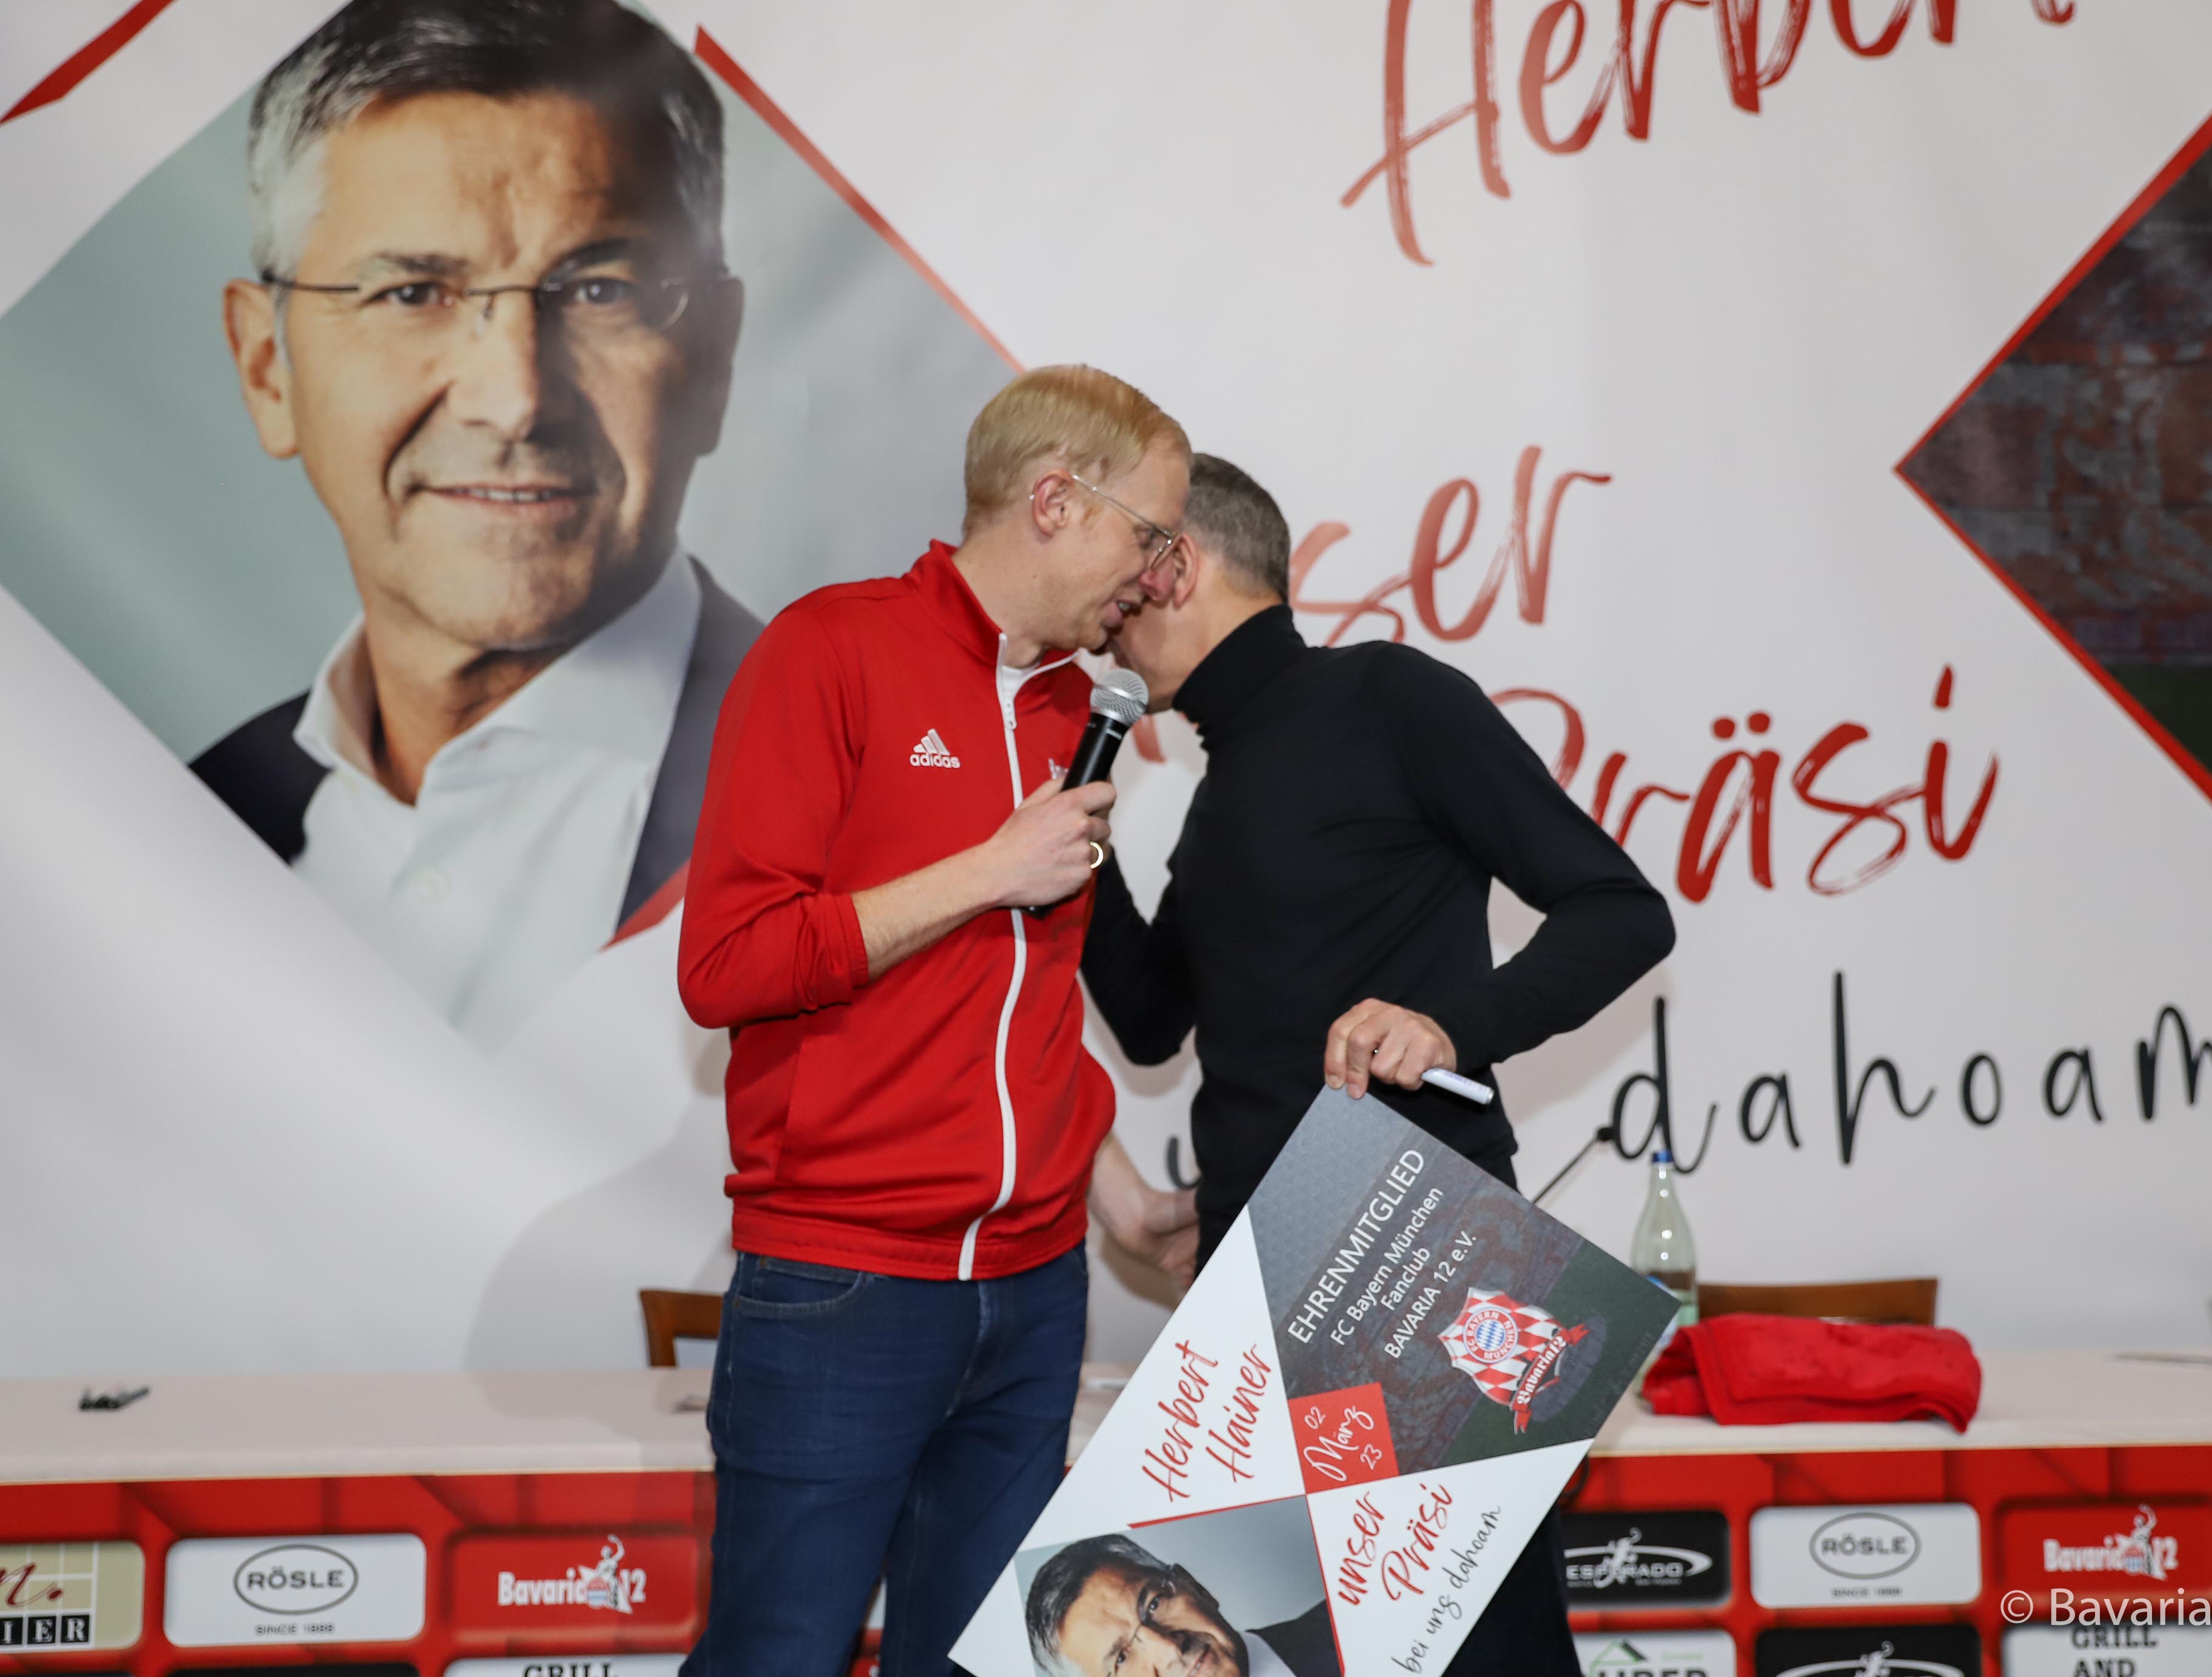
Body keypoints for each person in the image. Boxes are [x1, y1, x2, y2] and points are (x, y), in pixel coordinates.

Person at [1082, 454, 1678, 1674]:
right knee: (1297, 1653)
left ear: (1177, 565)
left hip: (1419, 1253)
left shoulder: (1389, 697)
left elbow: (1623, 911)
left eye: (1119, 574)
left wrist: (1452, 1024)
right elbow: (1147, 1021)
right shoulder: (1219, 783)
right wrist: (1068, 826)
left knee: (1493, 1652)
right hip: (1257, 1278)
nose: (1099, 613)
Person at [675, 365, 1201, 1676]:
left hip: (1035, 1288)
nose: (1156, 574)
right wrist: (987, 868)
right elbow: (728, 964)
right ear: (1054, 500)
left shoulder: (1080, 708)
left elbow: (1012, 1004)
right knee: (776, 1658)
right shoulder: (831, 651)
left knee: (980, 1663)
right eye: (1149, 534)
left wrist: (1120, 1196)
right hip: (849, 1283)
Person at [195, 0, 757, 1051]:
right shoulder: (182, 824)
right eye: (414, 293)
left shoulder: (896, 825)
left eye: (599, 290)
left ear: (715, 362)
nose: (515, 399)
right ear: (267, 368)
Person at [1025, 1533, 1339, 1677]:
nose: (1170, 1650)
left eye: (1154, 1604)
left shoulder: (1353, 1625)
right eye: (1121, 1659)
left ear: (1195, 1585)